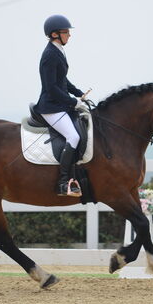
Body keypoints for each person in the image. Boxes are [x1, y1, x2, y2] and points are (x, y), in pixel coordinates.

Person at [34, 14, 88, 197]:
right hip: (50, 107)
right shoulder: (50, 54)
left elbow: (62, 80)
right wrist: (73, 102)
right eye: (66, 32)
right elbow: (51, 88)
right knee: (73, 137)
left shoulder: (57, 50)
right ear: (55, 34)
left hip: (59, 105)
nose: (69, 35)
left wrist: (78, 93)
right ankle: (63, 182)